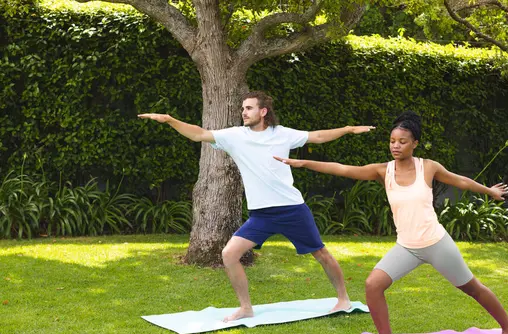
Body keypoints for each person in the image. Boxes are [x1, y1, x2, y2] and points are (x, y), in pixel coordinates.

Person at [274, 110, 508, 334]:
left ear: (415, 144)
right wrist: (303, 163)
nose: (396, 146)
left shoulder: (429, 167)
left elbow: (461, 182)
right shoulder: (383, 171)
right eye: (392, 141)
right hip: (407, 247)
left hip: (436, 243)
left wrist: (489, 191)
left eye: (402, 142)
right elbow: (343, 169)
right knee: (372, 285)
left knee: (472, 288)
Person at [139, 91, 375, 322]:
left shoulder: (282, 134)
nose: (244, 112)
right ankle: (245, 308)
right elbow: (199, 135)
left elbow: (319, 137)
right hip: (261, 214)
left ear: (263, 111)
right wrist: (170, 120)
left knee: (321, 253)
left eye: (249, 108)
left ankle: (343, 298)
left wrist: (347, 130)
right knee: (229, 254)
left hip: (291, 208)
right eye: (243, 108)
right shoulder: (234, 136)